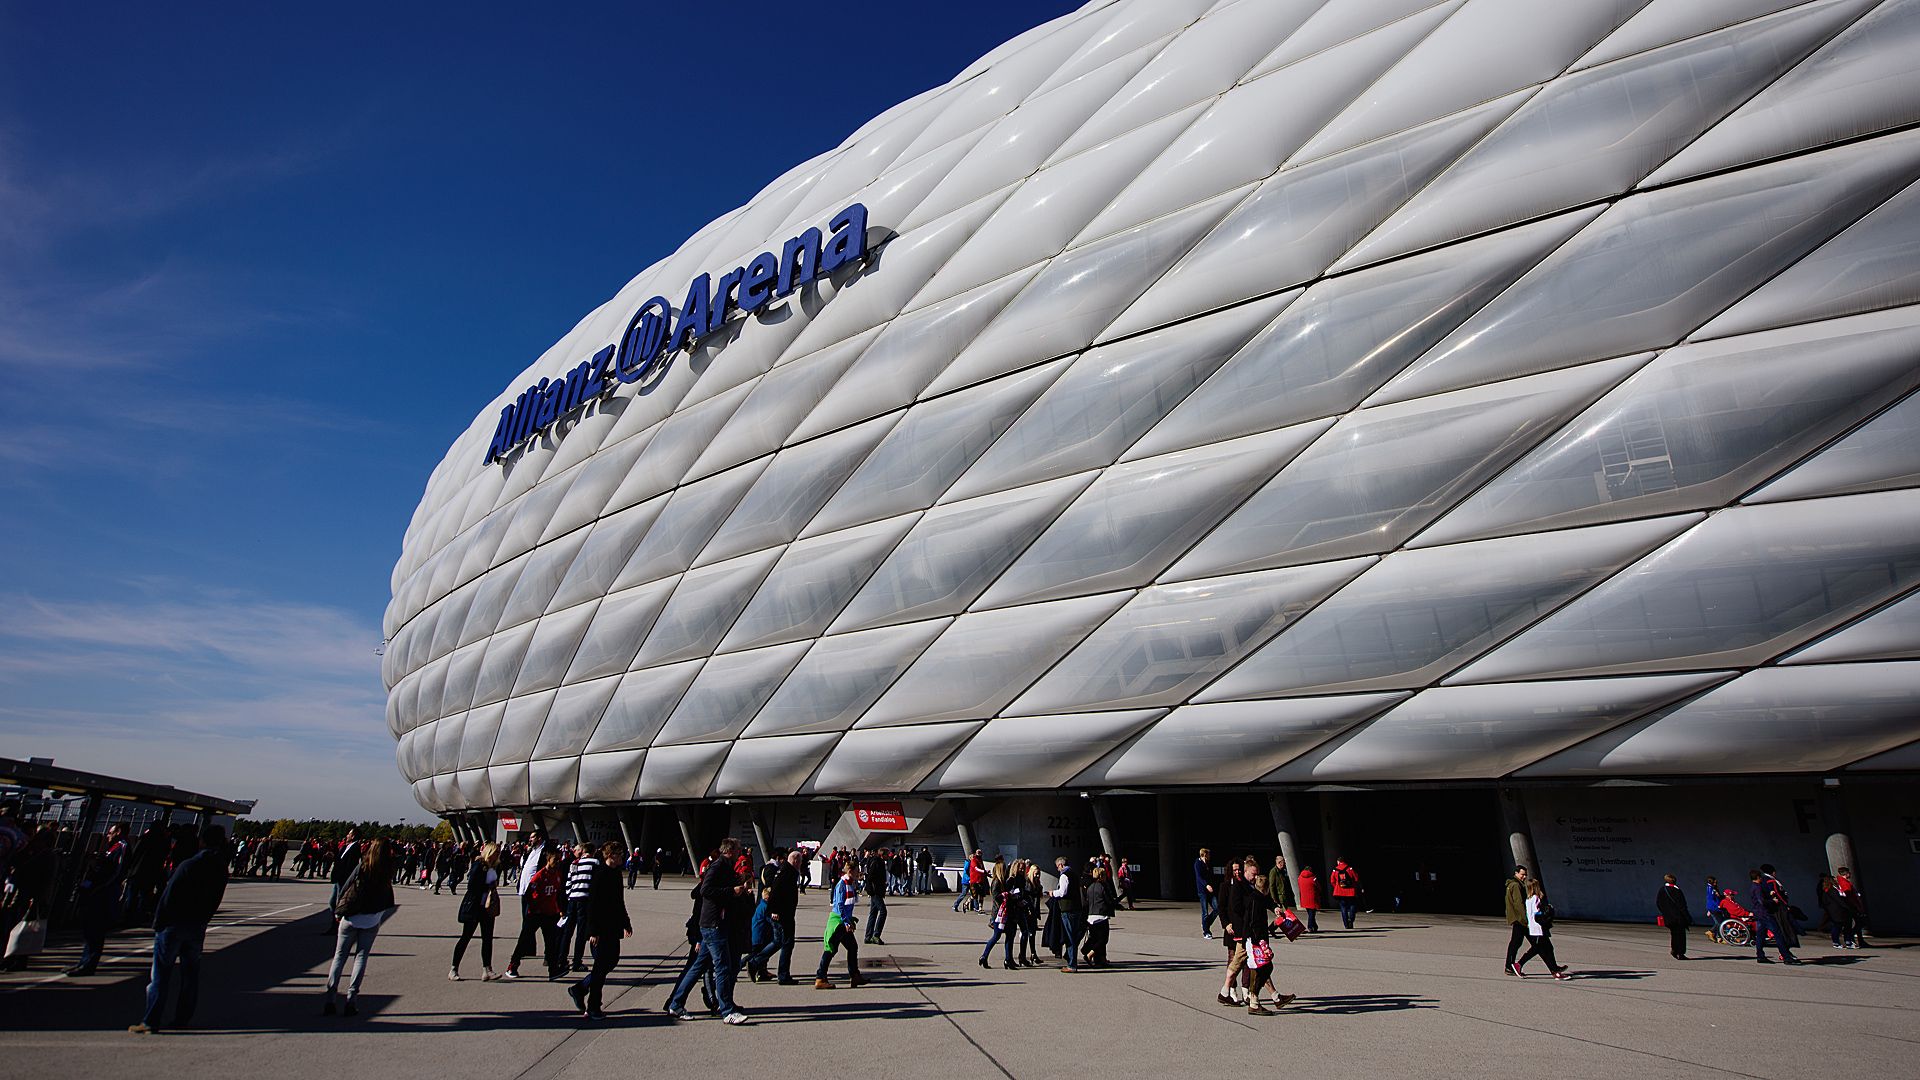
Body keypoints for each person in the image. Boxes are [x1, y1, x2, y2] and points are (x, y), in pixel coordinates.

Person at [129, 826, 228, 1035]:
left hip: (174, 925)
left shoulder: (189, 865)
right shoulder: (219, 867)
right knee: (190, 975)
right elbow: (215, 898)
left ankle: (150, 1020)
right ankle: (182, 1017)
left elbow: (169, 896)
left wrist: (159, 922)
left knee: (160, 975)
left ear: (202, 841)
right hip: (197, 925)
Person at [664, 838, 750, 1024]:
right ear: (730, 850)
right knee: (722, 967)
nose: (740, 853)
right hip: (714, 924)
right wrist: (731, 891)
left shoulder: (725, 867)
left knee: (699, 966)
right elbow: (706, 889)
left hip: (713, 923)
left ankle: (676, 1003)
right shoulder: (718, 866)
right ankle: (726, 1011)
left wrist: (738, 886)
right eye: (738, 850)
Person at [324, 838, 399, 1016]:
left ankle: (331, 999)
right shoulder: (388, 869)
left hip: (351, 917)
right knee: (361, 957)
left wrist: (338, 910)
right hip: (371, 920)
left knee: (339, 957)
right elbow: (388, 895)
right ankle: (352, 999)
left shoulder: (363, 866)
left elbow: (346, 887)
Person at [568, 842, 630, 1020]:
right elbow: (592, 904)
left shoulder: (616, 874)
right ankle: (593, 1006)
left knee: (610, 962)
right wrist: (593, 931)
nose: (622, 856)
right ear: (610, 855)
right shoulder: (600, 874)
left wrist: (626, 922)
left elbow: (619, 901)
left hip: (612, 927)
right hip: (600, 929)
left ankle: (579, 989)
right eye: (619, 853)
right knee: (600, 967)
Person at [67, 824, 129, 976]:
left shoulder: (122, 847)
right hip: (97, 891)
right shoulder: (111, 847)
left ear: (118, 832)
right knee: (90, 929)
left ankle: (88, 964)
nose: (108, 835)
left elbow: (117, 871)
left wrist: (100, 886)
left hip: (104, 893)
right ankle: (84, 961)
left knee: (96, 929)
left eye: (111, 832)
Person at [748, 848, 803, 984]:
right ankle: (780, 974)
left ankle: (757, 963)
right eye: (800, 861)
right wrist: (775, 911)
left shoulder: (786, 870)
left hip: (784, 914)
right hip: (783, 915)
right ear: (795, 861)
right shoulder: (787, 872)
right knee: (786, 943)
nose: (801, 864)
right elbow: (775, 892)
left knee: (779, 942)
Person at [450, 842, 503, 981]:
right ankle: (454, 968)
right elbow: (471, 885)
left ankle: (487, 969)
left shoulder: (494, 867)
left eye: (499, 852)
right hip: (474, 906)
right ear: (489, 852)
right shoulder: (479, 865)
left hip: (487, 907)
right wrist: (487, 886)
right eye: (495, 852)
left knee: (487, 938)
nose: (497, 854)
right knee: (466, 937)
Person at [504, 828, 551, 978]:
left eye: (533, 837)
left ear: (540, 838)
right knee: (527, 924)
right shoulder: (530, 851)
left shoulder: (546, 851)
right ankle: (529, 950)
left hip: (538, 894)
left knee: (542, 927)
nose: (530, 839)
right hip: (526, 892)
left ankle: (548, 958)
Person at [814, 858, 868, 989]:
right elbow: (839, 905)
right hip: (838, 922)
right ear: (850, 871)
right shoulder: (842, 885)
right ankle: (820, 978)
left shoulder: (850, 883)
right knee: (831, 949)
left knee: (852, 947)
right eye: (856, 872)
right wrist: (846, 922)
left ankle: (854, 975)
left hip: (844, 921)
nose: (858, 874)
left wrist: (850, 920)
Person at [518, 849, 566, 979]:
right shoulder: (539, 875)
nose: (557, 862)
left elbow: (559, 894)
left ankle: (553, 970)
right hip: (536, 913)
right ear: (548, 860)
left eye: (559, 859)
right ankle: (513, 965)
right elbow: (528, 894)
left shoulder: (557, 874)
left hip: (550, 913)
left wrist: (560, 909)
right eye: (555, 860)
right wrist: (534, 907)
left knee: (551, 943)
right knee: (524, 939)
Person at [1512, 880, 1570, 980]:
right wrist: (1547, 910)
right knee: (1539, 949)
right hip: (1539, 929)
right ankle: (1554, 971)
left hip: (1533, 928)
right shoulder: (1536, 898)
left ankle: (1555, 969)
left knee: (1544, 948)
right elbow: (1537, 913)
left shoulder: (1528, 899)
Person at [1746, 868, 1803, 964]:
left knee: (1760, 935)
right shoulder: (1758, 887)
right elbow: (1762, 901)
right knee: (1778, 934)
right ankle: (1786, 957)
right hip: (1765, 914)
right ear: (1758, 877)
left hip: (1758, 913)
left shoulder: (1752, 887)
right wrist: (1773, 901)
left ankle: (1760, 955)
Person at [561, 841, 601, 973]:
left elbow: (568, 882)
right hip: (585, 900)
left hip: (572, 899)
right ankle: (577, 962)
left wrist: (569, 896)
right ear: (593, 851)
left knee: (568, 931)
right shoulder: (595, 863)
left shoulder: (574, 863)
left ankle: (562, 959)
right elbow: (597, 883)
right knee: (581, 933)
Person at [980, 859, 1027, 970]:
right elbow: (997, 898)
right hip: (1000, 914)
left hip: (1007, 913)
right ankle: (985, 956)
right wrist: (1008, 896)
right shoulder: (997, 882)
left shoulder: (1003, 882)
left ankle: (1008, 959)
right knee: (997, 936)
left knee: (1009, 936)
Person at [1051, 856, 1084, 972]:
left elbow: (1062, 892)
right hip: (1077, 908)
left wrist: (1052, 893)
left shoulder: (1064, 875)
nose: (1057, 870)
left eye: (1057, 867)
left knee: (1070, 937)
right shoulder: (1074, 874)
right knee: (1074, 935)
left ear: (1061, 865)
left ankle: (1071, 964)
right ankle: (1071, 960)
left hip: (1068, 909)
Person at [327, 831, 362, 933]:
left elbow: (351, 865)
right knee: (333, 902)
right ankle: (335, 923)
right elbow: (340, 861)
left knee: (338, 902)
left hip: (344, 879)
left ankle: (337, 925)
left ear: (353, 836)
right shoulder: (346, 847)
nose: (347, 835)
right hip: (339, 878)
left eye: (349, 834)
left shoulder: (355, 847)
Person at [1083, 865, 1116, 969]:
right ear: (1102, 876)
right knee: (1103, 939)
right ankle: (1090, 954)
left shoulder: (1090, 887)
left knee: (1095, 938)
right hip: (1101, 915)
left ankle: (1100, 960)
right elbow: (1108, 900)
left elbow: (1087, 901)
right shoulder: (1103, 886)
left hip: (1091, 915)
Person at [1655, 873, 1691, 960]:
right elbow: (1682, 905)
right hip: (1678, 917)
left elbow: (1659, 903)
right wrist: (1687, 917)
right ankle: (1680, 953)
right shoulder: (1677, 890)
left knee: (1674, 934)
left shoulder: (1662, 890)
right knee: (1680, 935)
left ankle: (1674, 950)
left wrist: (1665, 912)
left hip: (1668, 917)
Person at [1816, 873, 1856, 950]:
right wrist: (1846, 906)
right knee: (1837, 926)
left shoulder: (1835, 888)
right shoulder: (1830, 890)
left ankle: (1848, 941)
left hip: (1841, 911)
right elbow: (1838, 900)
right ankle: (1836, 942)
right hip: (1836, 911)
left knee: (1846, 926)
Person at [1504, 865, 1530, 974]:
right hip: (1520, 920)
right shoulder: (1516, 886)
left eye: (1525, 875)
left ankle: (1510, 966)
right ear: (1516, 873)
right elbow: (1519, 904)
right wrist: (1526, 920)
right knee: (1539, 945)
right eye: (1522, 874)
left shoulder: (1513, 884)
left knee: (1515, 943)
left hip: (1517, 919)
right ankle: (1511, 966)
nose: (1524, 877)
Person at [863, 846, 890, 945]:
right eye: (887, 854)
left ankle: (868, 936)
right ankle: (876, 935)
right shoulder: (877, 862)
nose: (889, 856)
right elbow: (870, 877)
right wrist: (873, 890)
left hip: (876, 891)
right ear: (883, 855)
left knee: (873, 913)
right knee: (883, 912)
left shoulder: (880, 862)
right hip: (875, 892)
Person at [1331, 859, 1362, 929]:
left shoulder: (1335, 870)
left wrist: (1337, 887)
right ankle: (1351, 919)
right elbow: (1356, 878)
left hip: (1340, 892)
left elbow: (1332, 881)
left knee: (1343, 907)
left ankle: (1346, 924)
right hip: (1350, 891)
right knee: (1352, 905)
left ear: (1338, 862)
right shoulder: (1350, 869)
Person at [1193, 848, 1217, 939]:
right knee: (1205, 912)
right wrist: (1206, 885)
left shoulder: (1208, 864)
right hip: (1202, 890)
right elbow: (1199, 877)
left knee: (1217, 908)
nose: (1210, 857)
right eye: (1208, 855)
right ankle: (1206, 931)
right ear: (1205, 855)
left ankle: (1206, 925)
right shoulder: (1198, 863)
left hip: (1211, 890)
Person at [1296, 866, 1321, 933]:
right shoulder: (1313, 878)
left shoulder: (1300, 878)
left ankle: (1314, 926)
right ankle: (1310, 926)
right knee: (1312, 913)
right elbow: (1318, 887)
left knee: (1310, 913)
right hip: (1313, 897)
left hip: (1304, 898)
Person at [1703, 876, 1723, 943]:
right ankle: (1714, 934)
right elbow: (1711, 899)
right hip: (1714, 908)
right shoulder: (1710, 889)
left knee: (1719, 922)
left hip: (1714, 907)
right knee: (1720, 923)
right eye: (1714, 882)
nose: (1715, 883)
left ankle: (1714, 934)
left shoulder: (1712, 888)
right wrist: (1718, 906)